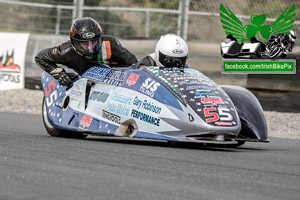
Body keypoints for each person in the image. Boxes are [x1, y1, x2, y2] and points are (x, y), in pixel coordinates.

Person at [35, 17, 138, 86]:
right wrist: (60, 74)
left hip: (113, 84)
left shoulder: (109, 44)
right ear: (75, 42)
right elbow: (40, 57)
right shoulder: (66, 51)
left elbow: (135, 64)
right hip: (83, 86)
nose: (89, 47)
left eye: (93, 42)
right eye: (84, 44)